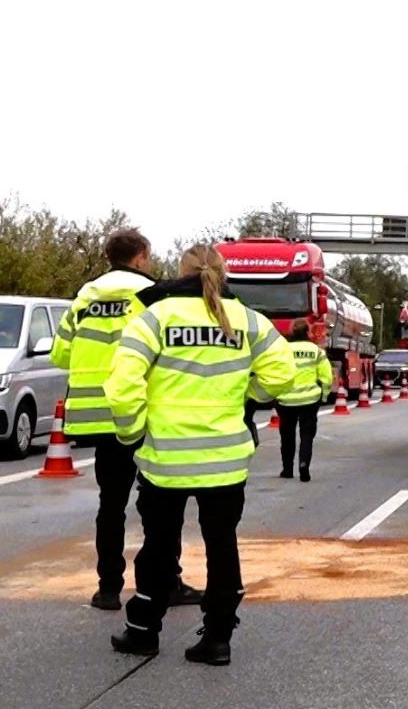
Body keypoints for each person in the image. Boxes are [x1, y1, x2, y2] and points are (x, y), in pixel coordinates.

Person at [104, 244, 294, 665]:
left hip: (165, 460)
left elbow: (121, 385)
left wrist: (132, 431)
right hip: (226, 461)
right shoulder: (247, 319)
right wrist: (248, 399)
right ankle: (218, 639)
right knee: (222, 546)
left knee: (158, 547)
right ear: (221, 274)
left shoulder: (155, 317)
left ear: (181, 272)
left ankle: (143, 632)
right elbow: (282, 373)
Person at [50, 229, 202, 612]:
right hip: (143, 413)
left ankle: (108, 589)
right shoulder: (153, 295)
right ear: (141, 256)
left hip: (96, 418)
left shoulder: (84, 297)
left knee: (111, 505)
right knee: (159, 504)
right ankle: (166, 582)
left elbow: (60, 356)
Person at [275, 321, 333, 481]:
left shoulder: (283, 350)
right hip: (309, 399)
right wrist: (325, 395)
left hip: (286, 400)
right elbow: (326, 376)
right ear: (308, 332)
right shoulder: (316, 351)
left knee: (287, 435)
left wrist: (274, 394)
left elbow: (274, 372)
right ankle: (304, 464)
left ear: (292, 332)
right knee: (307, 435)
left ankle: (287, 469)